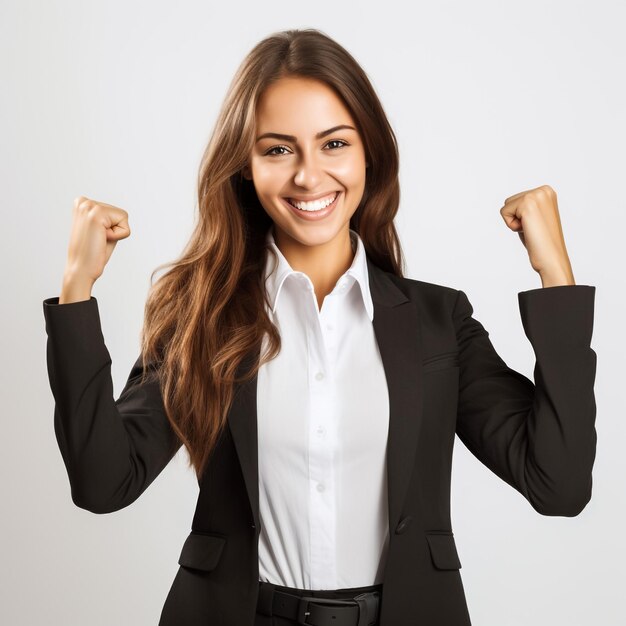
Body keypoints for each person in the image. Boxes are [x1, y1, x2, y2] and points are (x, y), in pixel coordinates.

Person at [42, 28, 597, 626]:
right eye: (278, 150)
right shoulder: (204, 318)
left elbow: (558, 484)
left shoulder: (441, 324)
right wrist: (77, 292)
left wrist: (555, 275)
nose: (309, 176)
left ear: (369, 154)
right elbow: (104, 483)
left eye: (333, 143)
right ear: (245, 168)